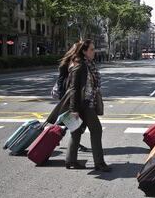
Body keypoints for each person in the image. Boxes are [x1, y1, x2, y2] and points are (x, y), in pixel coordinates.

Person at [47, 39, 110, 172]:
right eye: (92, 49)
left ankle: (71, 160)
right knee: (96, 129)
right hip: (83, 104)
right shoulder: (80, 65)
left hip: (84, 102)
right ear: (84, 51)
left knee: (76, 131)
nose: (94, 52)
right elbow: (74, 88)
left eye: (94, 49)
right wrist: (74, 109)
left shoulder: (87, 64)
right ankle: (99, 163)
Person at [53, 43, 90, 152]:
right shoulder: (71, 63)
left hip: (68, 95)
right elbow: (61, 81)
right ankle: (58, 137)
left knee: (70, 121)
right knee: (76, 122)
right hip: (69, 95)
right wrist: (62, 96)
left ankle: (56, 136)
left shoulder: (71, 62)